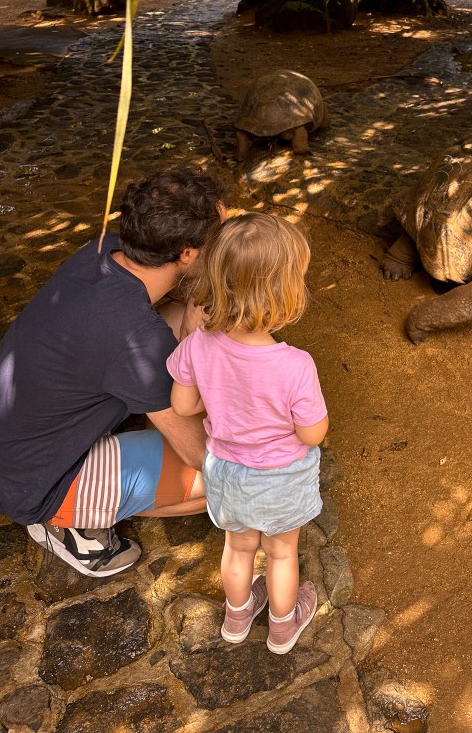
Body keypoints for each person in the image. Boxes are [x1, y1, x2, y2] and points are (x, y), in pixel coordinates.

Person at [0, 167, 225, 578]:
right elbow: (200, 454)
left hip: (3, 446)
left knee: (176, 321)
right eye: (218, 241)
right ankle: (67, 524)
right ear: (186, 254)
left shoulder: (103, 249)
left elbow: (170, 311)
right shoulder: (137, 341)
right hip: (35, 483)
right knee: (229, 483)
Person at [167, 212, 328, 655]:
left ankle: (236, 619)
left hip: (227, 470)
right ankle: (282, 627)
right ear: (285, 292)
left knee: (237, 549)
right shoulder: (296, 365)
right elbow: (312, 434)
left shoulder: (198, 343)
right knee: (281, 553)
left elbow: (183, 406)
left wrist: (220, 397)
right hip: (281, 476)